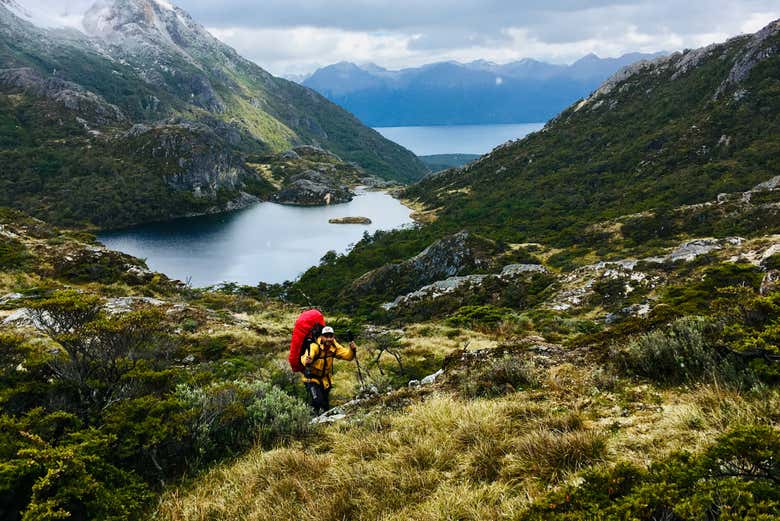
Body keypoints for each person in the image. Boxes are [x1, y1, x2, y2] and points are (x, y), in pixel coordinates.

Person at [301, 326, 356, 414]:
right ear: (322, 337)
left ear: (333, 337)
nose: (329, 339)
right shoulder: (314, 346)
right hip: (311, 379)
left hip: (325, 380)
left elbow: (348, 356)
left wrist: (352, 350)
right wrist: (307, 361)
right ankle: (309, 420)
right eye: (326, 336)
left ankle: (325, 423)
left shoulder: (334, 346)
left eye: (331, 336)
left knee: (325, 406)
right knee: (317, 402)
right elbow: (306, 358)